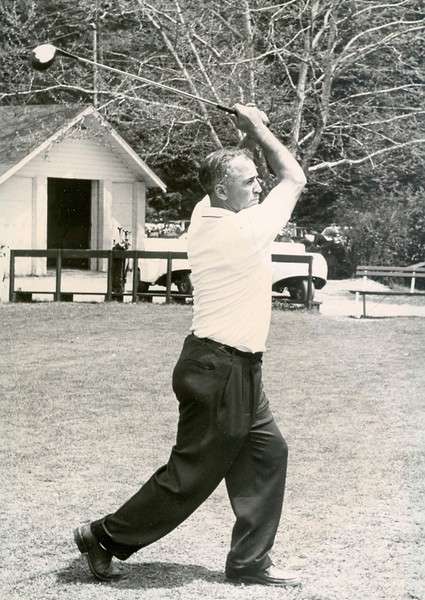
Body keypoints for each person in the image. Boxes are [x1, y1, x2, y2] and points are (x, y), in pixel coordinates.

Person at [74, 104, 307, 587]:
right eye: (249, 182)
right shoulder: (241, 231)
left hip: (234, 367)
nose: (258, 186)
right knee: (191, 477)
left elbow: (246, 174)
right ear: (223, 191)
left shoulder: (207, 211)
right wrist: (259, 129)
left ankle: (249, 562)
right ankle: (104, 536)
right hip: (218, 370)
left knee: (268, 454)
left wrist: (247, 136)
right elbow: (294, 176)